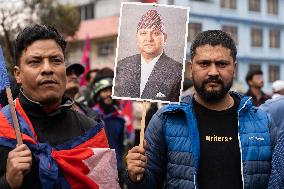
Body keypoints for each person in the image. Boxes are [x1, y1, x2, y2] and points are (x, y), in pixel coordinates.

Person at [125, 30, 276, 189]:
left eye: (222, 64)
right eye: (204, 63)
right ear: (191, 68)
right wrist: (136, 177)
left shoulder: (263, 122)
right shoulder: (166, 119)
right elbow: (148, 184)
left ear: (235, 68)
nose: (213, 72)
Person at [0, 25, 119, 189]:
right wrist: (8, 182)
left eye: (56, 60)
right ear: (18, 74)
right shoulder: (3, 128)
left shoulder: (91, 130)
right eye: (35, 62)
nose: (47, 69)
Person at [114, 9, 183, 102]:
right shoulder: (122, 66)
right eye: (143, 33)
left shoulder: (178, 71)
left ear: (165, 38)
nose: (149, 39)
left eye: (156, 33)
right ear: (137, 37)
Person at [91, 68, 125, 188]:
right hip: (96, 171)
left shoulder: (119, 118)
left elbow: (120, 146)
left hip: (117, 169)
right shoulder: (90, 117)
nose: (108, 94)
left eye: (110, 90)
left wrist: (120, 167)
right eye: (104, 91)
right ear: (97, 93)